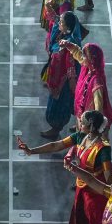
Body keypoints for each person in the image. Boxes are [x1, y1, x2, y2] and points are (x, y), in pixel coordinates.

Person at [17, 110, 112, 224]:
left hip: (96, 192)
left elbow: (109, 177)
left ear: (91, 126)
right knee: (79, 217)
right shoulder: (81, 136)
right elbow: (56, 145)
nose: (79, 123)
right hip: (82, 187)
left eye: (82, 121)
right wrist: (31, 151)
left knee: (96, 223)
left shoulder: (103, 148)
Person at [40, 10, 83, 138]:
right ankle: (79, 123)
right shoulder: (62, 35)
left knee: (60, 105)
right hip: (56, 78)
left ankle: (56, 128)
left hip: (63, 83)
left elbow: (70, 66)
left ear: (68, 27)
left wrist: (72, 82)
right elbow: (54, 30)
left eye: (61, 22)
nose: (59, 23)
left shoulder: (69, 45)